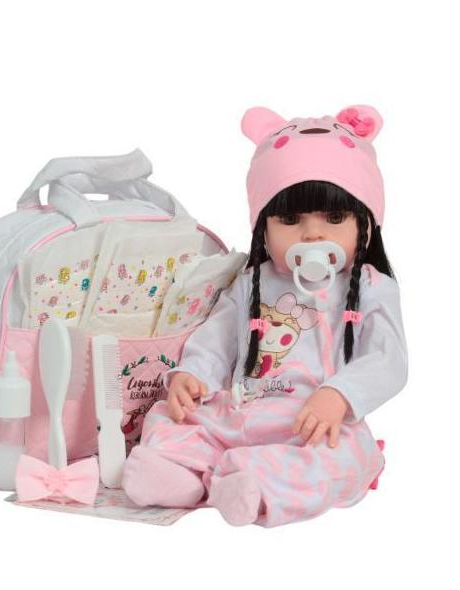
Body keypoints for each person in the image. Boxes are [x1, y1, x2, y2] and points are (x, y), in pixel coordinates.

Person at [121, 105, 408, 527]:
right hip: (238, 412)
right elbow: (216, 340)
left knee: (351, 456)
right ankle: (179, 475)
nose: (313, 234)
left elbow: (388, 359)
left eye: (334, 218)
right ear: (263, 228)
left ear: (365, 222)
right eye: (290, 219)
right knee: (168, 415)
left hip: (311, 424)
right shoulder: (250, 282)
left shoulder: (369, 286)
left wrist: (340, 395)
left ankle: (254, 484)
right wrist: (192, 376)